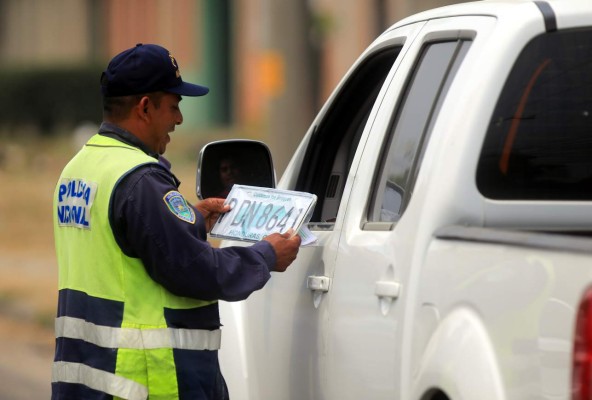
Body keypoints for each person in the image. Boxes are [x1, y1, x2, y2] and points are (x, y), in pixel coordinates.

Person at [51, 43, 301, 400]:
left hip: (88, 380)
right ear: (145, 107)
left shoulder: (78, 169)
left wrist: (190, 221)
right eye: (174, 105)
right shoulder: (142, 181)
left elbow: (121, 248)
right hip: (145, 383)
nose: (179, 119)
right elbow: (198, 271)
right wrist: (265, 255)